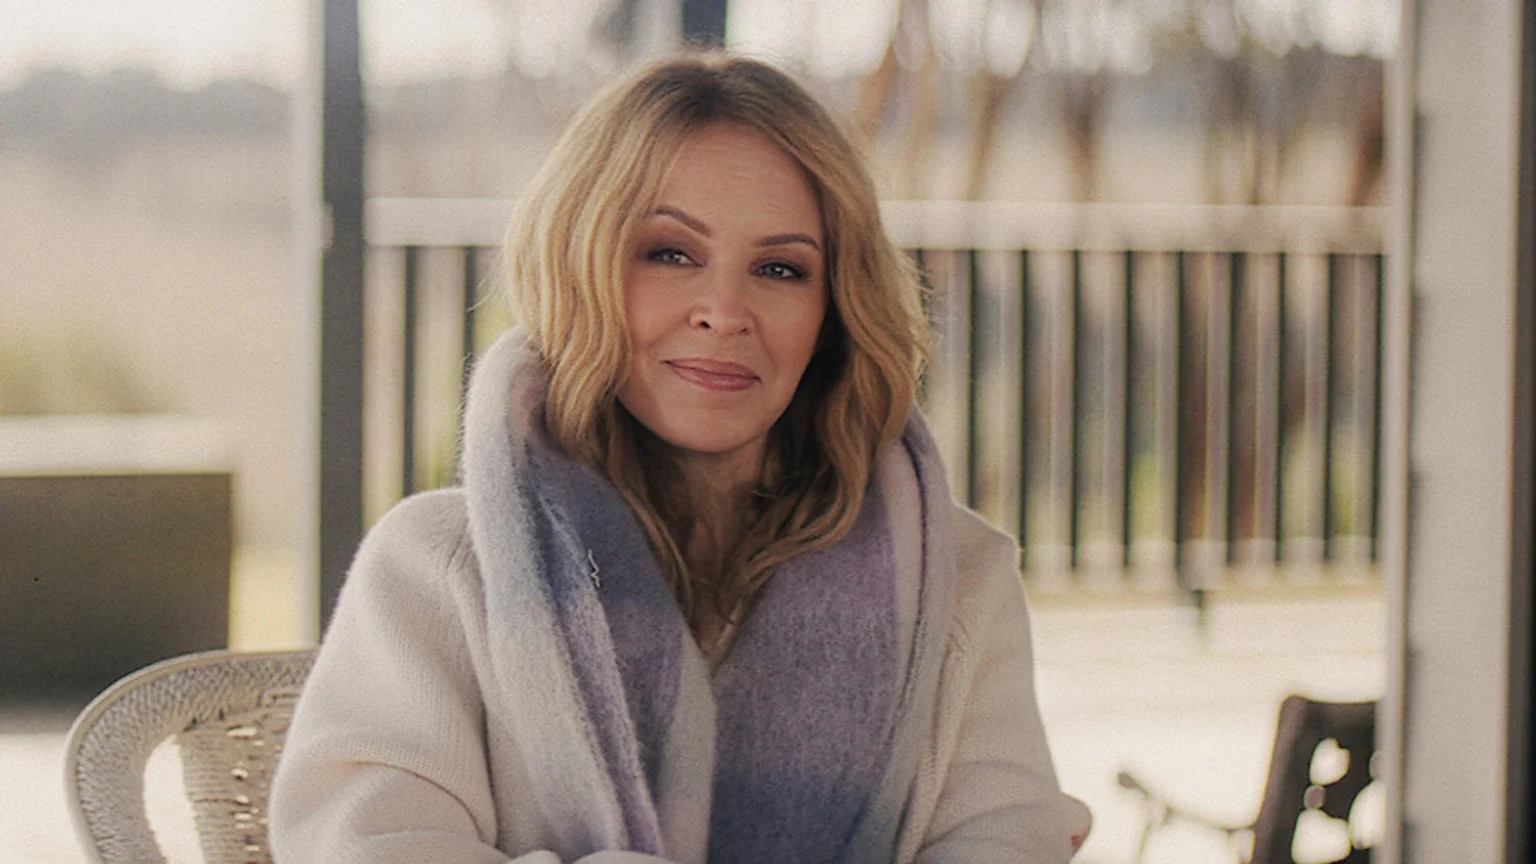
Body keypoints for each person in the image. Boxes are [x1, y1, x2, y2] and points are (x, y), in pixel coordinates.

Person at [270, 52, 1090, 863]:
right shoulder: (437, 568)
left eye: (780, 268)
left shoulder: (961, 580)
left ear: (834, 308)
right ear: (581, 263)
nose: (725, 312)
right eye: (670, 252)